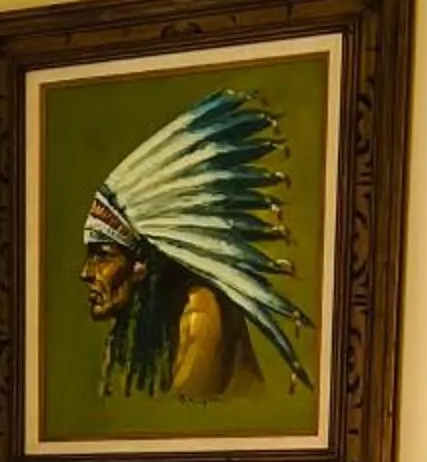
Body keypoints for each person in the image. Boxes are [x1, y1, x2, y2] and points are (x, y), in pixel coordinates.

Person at [78, 86, 312, 405]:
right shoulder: (145, 317)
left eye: (103, 256)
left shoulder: (201, 312)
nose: (86, 272)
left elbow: (178, 419)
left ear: (141, 265)